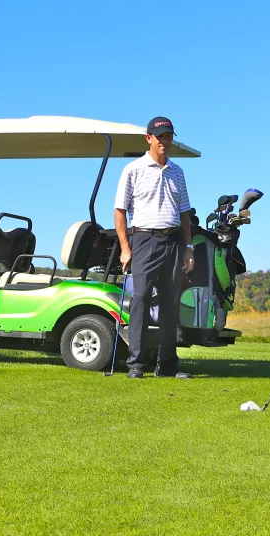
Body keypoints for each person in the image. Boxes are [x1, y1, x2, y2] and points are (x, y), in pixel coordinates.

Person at [114, 116, 195, 379]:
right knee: (141, 299)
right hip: (144, 239)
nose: (164, 141)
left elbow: (184, 213)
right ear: (149, 138)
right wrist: (125, 247)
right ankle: (135, 364)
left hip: (173, 241)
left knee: (171, 303)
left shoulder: (178, 172)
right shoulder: (133, 170)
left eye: (168, 136)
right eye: (160, 137)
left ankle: (168, 366)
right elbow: (120, 210)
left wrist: (189, 248)